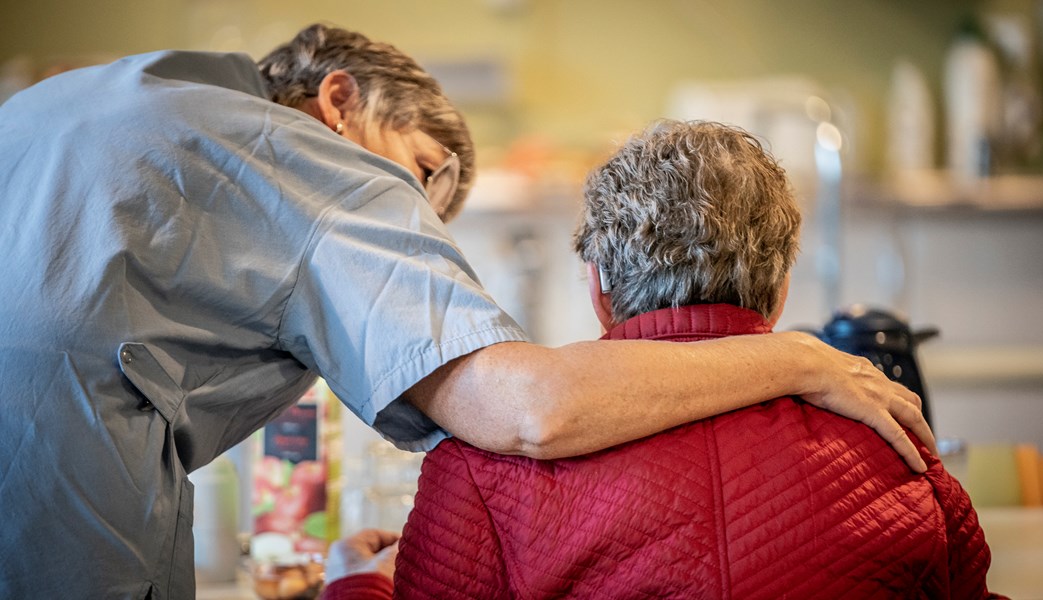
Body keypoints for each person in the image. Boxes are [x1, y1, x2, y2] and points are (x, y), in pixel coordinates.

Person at [0, 24, 931, 599]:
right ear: (338, 102)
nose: (408, 229)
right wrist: (802, 359)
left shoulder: (93, 101)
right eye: (416, 180)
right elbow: (530, 411)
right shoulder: (316, 165)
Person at [376, 121, 999, 599]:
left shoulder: (480, 464)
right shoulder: (893, 439)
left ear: (598, 288)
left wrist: (355, 584)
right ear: (780, 292)